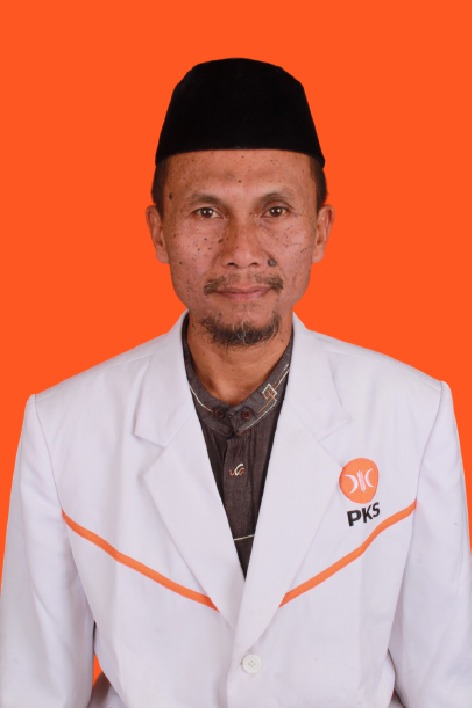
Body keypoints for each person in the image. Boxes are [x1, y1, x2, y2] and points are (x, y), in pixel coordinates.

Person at [1, 58, 471, 708]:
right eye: (206, 211)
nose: (242, 250)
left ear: (320, 231)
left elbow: (449, 685)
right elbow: (31, 689)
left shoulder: (412, 415)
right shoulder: (63, 431)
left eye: (275, 210)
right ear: (158, 231)